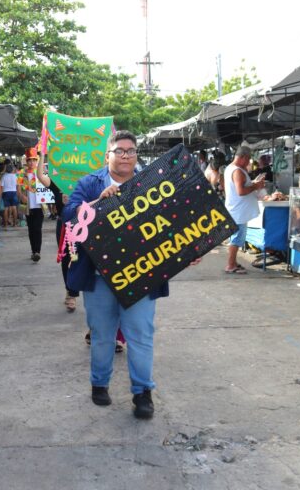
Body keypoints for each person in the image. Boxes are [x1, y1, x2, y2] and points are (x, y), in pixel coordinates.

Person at [63, 130, 194, 419]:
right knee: (102, 336)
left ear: (137, 155)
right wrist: (99, 201)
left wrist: (187, 246)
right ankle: (99, 384)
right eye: (119, 151)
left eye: (131, 151)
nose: (125, 156)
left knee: (141, 336)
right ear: (107, 155)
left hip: (142, 275)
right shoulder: (90, 183)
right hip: (98, 278)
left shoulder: (152, 181)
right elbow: (70, 216)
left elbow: (173, 217)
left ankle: (143, 393)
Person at [36, 153, 80, 313]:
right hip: (64, 225)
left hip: (84, 224)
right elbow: (40, 175)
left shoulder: (85, 181)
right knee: (66, 259)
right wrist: (42, 156)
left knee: (82, 259)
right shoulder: (57, 181)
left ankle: (82, 291)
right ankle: (71, 293)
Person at [224, 146, 264, 274]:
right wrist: (255, 186)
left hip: (237, 209)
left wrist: (252, 183)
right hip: (238, 211)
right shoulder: (237, 171)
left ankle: (233, 262)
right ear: (243, 157)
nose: (248, 162)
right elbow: (240, 191)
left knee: (236, 238)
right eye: (248, 159)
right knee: (236, 239)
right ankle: (230, 265)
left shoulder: (231, 168)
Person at [18, 148, 44, 262]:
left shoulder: (40, 173)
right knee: (31, 230)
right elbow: (18, 189)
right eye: (29, 160)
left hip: (39, 206)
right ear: (26, 161)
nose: (31, 162)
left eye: (34, 160)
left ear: (37, 161)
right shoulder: (21, 173)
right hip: (28, 207)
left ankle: (37, 252)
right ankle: (33, 251)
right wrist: (21, 196)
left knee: (37, 229)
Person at [1, 163, 19, 228]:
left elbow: (2, 187)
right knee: (14, 208)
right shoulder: (15, 176)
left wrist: (0, 195)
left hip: (5, 193)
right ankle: (15, 224)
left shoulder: (4, 176)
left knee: (6, 209)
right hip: (14, 192)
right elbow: (17, 186)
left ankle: (5, 225)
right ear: (12, 170)